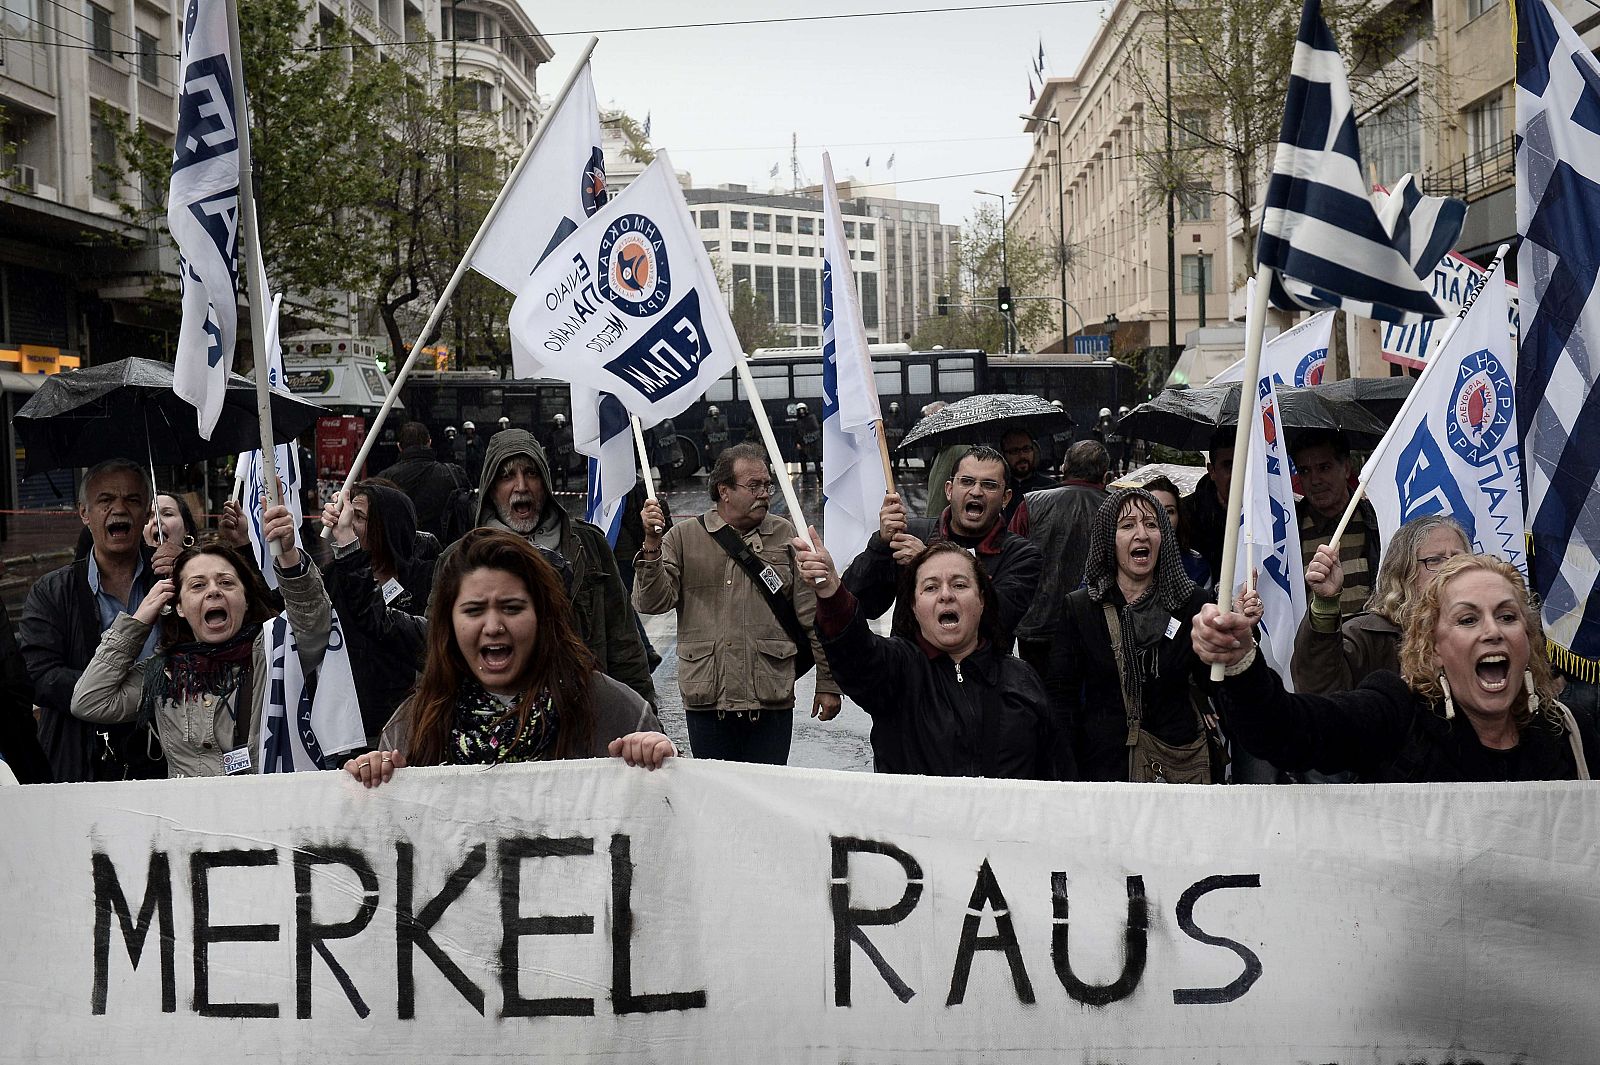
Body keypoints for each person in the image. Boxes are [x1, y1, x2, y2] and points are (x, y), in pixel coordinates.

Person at [1194, 553, 1599, 781]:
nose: (1492, 632)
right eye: (1468, 619)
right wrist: (1241, 662)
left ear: (1528, 641)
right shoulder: (1396, 716)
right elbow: (1289, 731)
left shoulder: (1572, 734)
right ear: (1434, 647)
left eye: (1508, 617)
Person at [347, 529, 674, 786]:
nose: (493, 626)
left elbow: (673, 820)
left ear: (542, 617)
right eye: (474, 610)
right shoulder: (412, 727)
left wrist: (662, 763)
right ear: (449, 624)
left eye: (512, 608)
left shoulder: (615, 712)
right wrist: (370, 783)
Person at [71, 501, 332, 778]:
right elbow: (90, 700)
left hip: (264, 812)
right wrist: (138, 620)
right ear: (180, 607)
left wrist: (289, 555)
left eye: (227, 583)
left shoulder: (273, 650)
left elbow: (313, 626)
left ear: (245, 599)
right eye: (197, 585)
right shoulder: (164, 673)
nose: (213, 592)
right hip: (190, 818)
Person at [633, 443, 841, 764]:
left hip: (770, 700)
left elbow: (813, 615)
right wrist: (651, 545)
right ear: (724, 491)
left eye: (767, 485)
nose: (764, 494)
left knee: (768, 799)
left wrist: (827, 683)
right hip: (708, 703)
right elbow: (652, 602)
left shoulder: (787, 535)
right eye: (753, 485)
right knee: (717, 800)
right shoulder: (683, 537)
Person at [799, 535, 1067, 779]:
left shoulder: (1021, 678)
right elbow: (856, 654)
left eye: (960, 585)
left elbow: (1056, 772)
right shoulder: (898, 671)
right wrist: (831, 592)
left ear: (982, 600)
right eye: (930, 588)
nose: (946, 595)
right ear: (914, 607)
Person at [1045, 487, 1218, 782]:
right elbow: (1063, 698)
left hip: (1177, 766)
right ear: (1107, 539)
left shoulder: (1192, 603)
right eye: (1127, 525)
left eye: (1151, 524)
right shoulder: (1082, 608)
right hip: (1104, 769)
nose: (1142, 534)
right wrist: (1067, 774)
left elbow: (1214, 681)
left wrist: (1240, 635)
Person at [474, 429, 655, 705]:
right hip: (497, 725)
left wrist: (645, 717)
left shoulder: (589, 545)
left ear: (545, 481)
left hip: (582, 714)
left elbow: (625, 645)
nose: (521, 486)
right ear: (491, 486)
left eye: (531, 473)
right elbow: (439, 657)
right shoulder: (463, 559)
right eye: (507, 476)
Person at [19, 459, 165, 782]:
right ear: (84, 513)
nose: (119, 509)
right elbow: (38, 675)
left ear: (146, 513)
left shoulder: (170, 581)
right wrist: (116, 694)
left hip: (164, 756)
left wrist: (186, 574)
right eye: (106, 500)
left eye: (132, 500)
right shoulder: (52, 592)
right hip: (81, 759)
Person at [844, 445, 1042, 648]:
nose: (976, 492)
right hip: (912, 672)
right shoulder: (910, 534)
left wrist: (928, 563)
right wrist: (880, 545)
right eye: (966, 482)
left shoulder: (1021, 555)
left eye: (989, 485)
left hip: (980, 675)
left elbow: (997, 621)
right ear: (949, 490)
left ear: (1005, 498)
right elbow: (860, 603)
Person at [1292, 515, 1470, 695]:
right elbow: (1318, 690)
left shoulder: (1487, 631)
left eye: (1458, 559)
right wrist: (1325, 604)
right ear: (1403, 572)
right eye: (1434, 560)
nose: (1450, 568)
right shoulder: (1367, 637)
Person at [320, 481, 441, 743]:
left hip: (407, 729)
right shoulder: (335, 577)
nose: (347, 523)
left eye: (358, 516)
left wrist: (350, 553)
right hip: (347, 731)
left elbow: (383, 624)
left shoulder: (427, 578)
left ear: (386, 525)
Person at [1013, 440, 1110, 676]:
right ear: (1105, 476)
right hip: (1096, 624)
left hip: (1037, 623)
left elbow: (1012, 561)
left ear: (1064, 468)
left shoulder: (1031, 503)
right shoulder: (1116, 507)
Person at [1292, 429, 1379, 621]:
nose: (1315, 480)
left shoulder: (1374, 522)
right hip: (1315, 646)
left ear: (1346, 468)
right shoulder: (1289, 531)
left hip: (1369, 645)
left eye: (1324, 468)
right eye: (1305, 471)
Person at [383, 421, 471, 542]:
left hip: (400, 551)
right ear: (429, 442)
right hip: (446, 552)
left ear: (399, 447)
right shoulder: (454, 474)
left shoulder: (384, 480)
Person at [1181, 427, 1233, 580]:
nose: (1237, 474)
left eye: (1244, 464)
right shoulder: (1187, 515)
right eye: (1228, 466)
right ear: (1212, 471)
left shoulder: (1271, 514)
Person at [1144, 475, 1211, 590]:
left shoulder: (1196, 566)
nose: (1162, 516)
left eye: (1169, 511)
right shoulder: (1127, 559)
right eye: (1153, 509)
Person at [999, 429, 1056, 528]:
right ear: (1003, 455)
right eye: (1014, 451)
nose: (1022, 456)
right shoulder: (998, 488)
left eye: (1026, 449)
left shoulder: (1050, 487)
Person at [793, 403, 821, 479]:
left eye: (803, 410)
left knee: (816, 460)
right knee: (803, 460)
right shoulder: (798, 422)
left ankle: (819, 476)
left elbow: (816, 430)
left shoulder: (812, 418)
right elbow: (796, 433)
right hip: (803, 444)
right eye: (800, 411)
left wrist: (809, 439)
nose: (802, 412)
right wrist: (798, 443)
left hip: (812, 443)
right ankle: (805, 477)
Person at [548, 414, 575, 491]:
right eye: (557, 421)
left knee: (565, 471)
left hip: (564, 454)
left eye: (560, 421)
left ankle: (564, 485)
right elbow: (548, 443)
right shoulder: (551, 433)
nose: (559, 423)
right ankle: (553, 486)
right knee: (554, 471)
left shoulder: (567, 431)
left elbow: (570, 441)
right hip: (554, 454)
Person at [883, 401, 907, 474]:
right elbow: (884, 429)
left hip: (897, 441)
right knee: (889, 457)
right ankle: (890, 470)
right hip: (890, 441)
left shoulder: (900, 418)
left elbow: (903, 428)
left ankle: (896, 469)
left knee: (897, 456)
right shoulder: (887, 418)